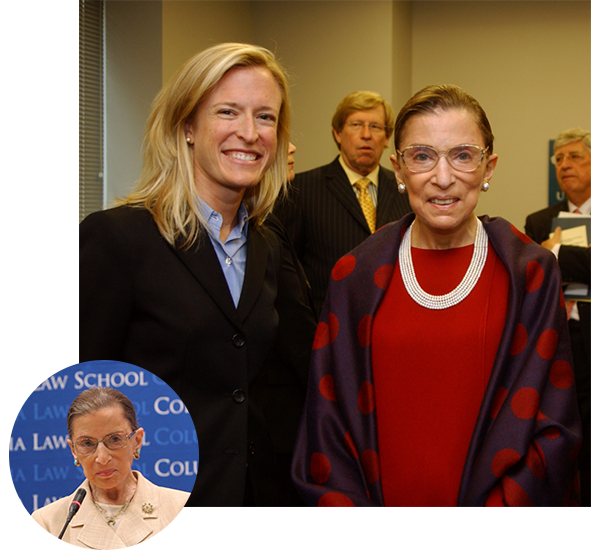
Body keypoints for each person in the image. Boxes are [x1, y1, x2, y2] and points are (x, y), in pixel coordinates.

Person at [292, 84, 582, 506]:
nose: (442, 177)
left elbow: (552, 424)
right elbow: (326, 422)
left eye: (463, 155)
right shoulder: (354, 277)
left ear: (489, 167)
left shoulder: (531, 275)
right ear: (399, 168)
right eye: (422, 156)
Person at [79, 43, 317, 506]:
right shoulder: (117, 237)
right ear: (187, 127)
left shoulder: (267, 244)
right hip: (148, 511)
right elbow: (71, 393)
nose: (249, 133)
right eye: (228, 112)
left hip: (253, 501)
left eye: (265, 117)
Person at [274, 91, 412, 317]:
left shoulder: (407, 189)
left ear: (387, 138)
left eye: (376, 127)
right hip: (328, 326)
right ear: (337, 133)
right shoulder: (301, 190)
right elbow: (286, 274)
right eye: (356, 125)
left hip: (394, 322)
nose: (366, 135)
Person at [22, 387, 200, 549]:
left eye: (115, 439)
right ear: (74, 450)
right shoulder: (46, 524)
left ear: (136, 441)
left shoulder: (185, 511)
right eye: (87, 443)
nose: (102, 458)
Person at [525, 127, 591, 506]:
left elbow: (551, 261)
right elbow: (533, 277)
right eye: (559, 159)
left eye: (575, 157)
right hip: (558, 341)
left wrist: (559, 255)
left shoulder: (548, 235)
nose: (565, 165)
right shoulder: (539, 221)